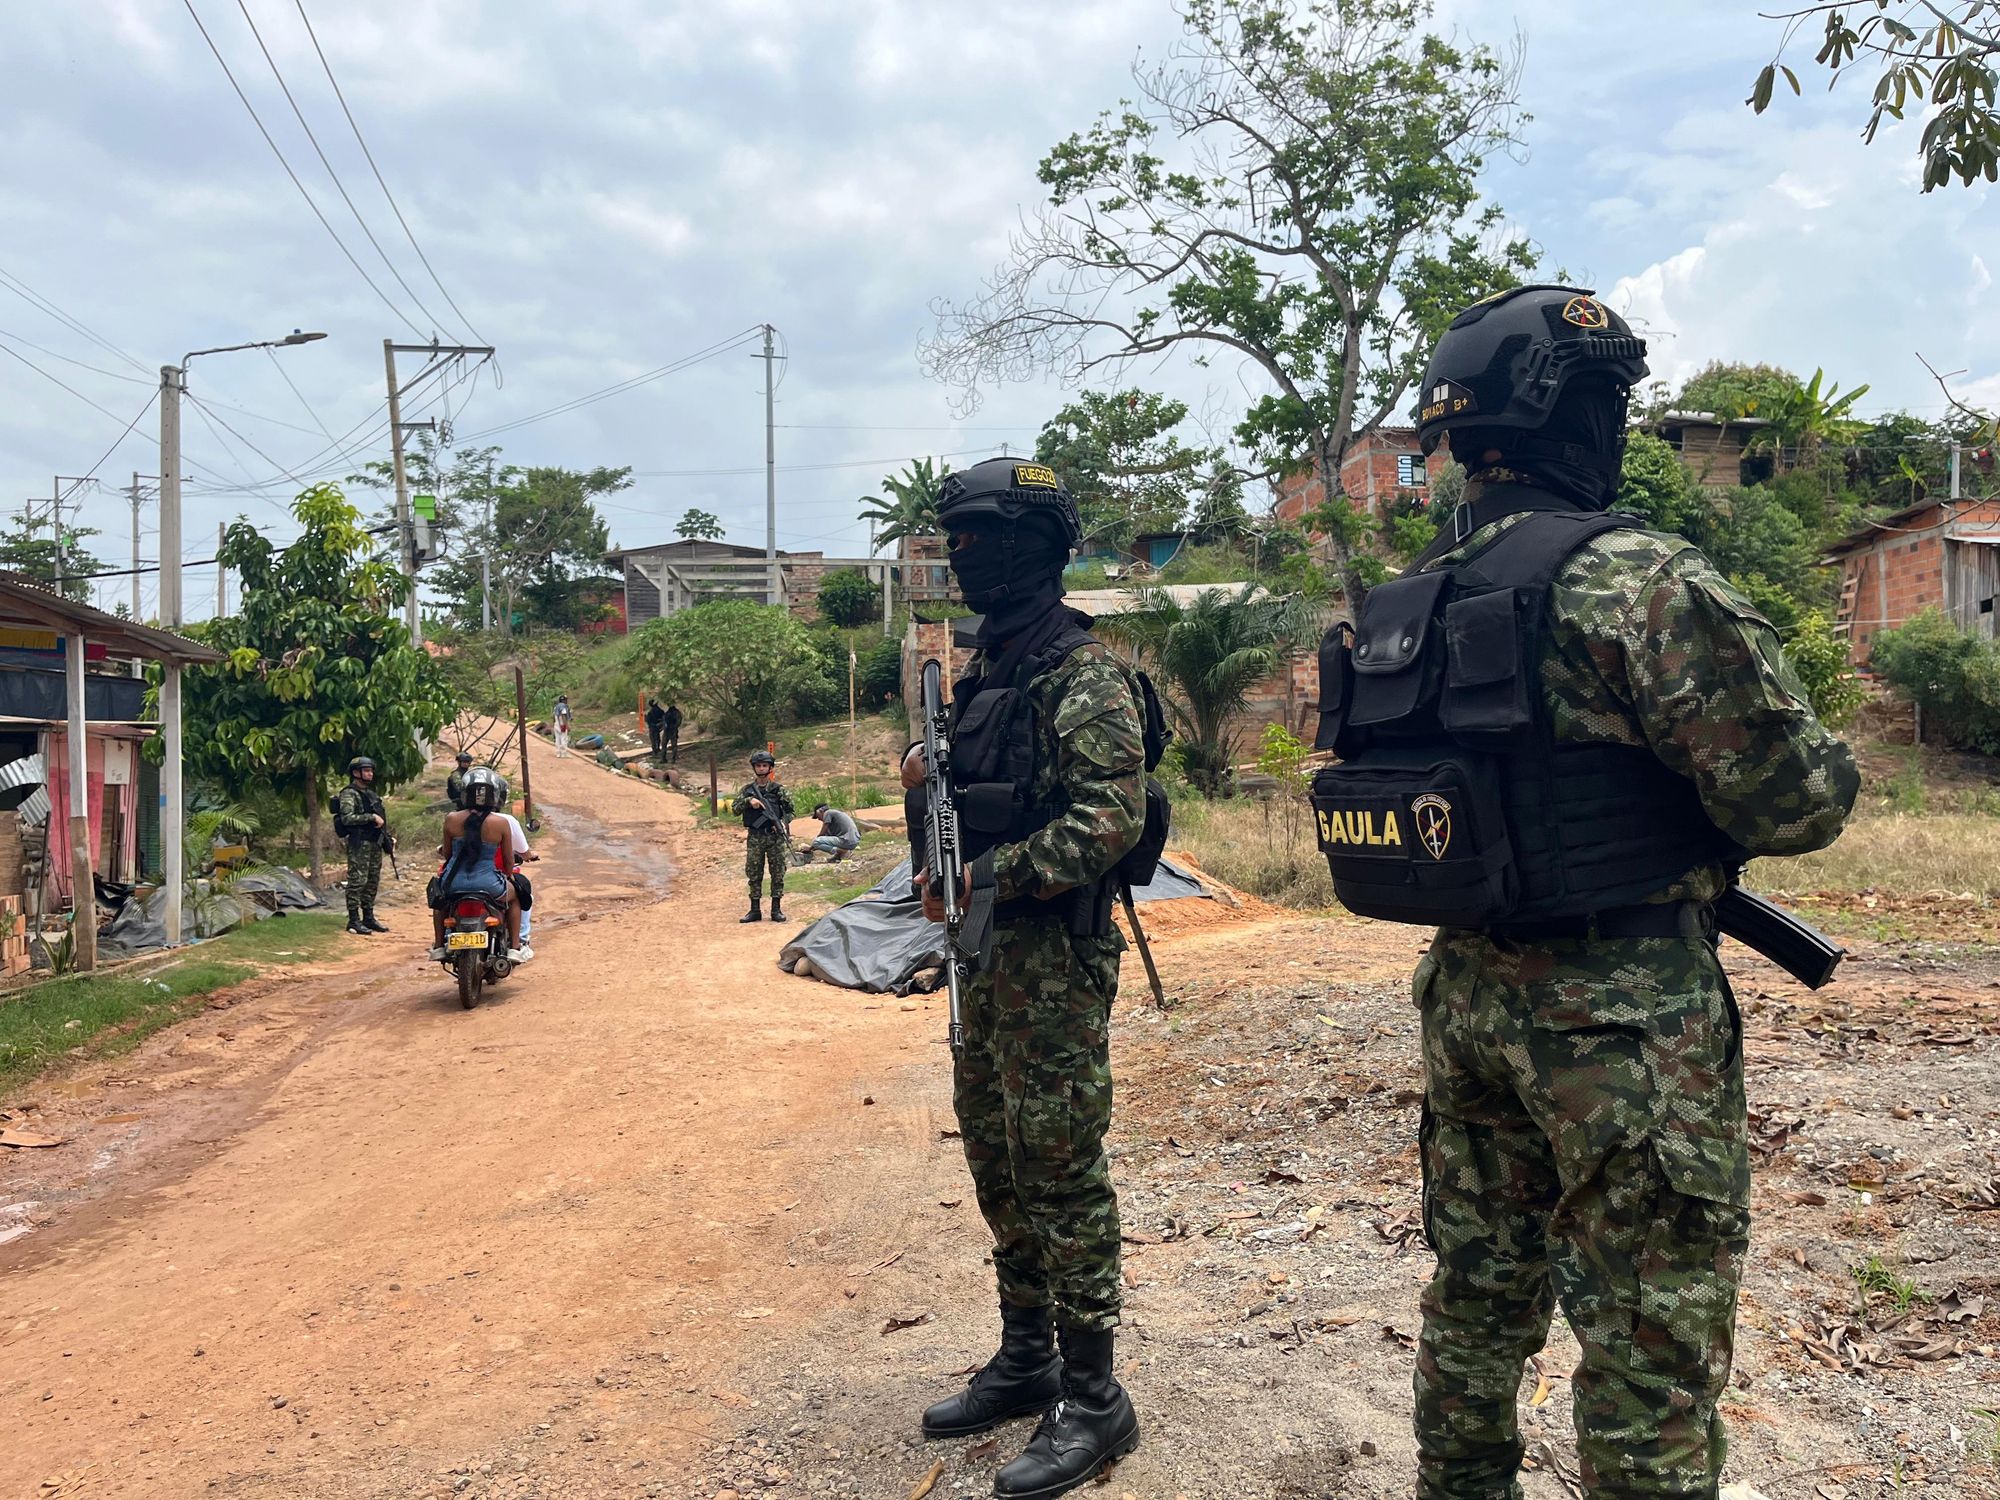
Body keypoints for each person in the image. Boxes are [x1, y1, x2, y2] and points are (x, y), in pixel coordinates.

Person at [1318, 285, 1859, 1498]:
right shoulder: (1638, 577)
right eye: (1610, 401)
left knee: (1475, 1294)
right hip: (1621, 1017)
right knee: (1647, 1336)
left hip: (1464, 998)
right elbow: (1797, 803)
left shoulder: (1409, 595)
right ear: (1572, 413)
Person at [901, 457, 1146, 1497]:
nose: (958, 556)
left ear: (1025, 544)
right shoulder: (986, 668)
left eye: (971, 538)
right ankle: (1026, 1355)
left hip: (1051, 956)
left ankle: (1094, 1395)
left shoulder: (1079, 670)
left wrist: (992, 876)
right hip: (987, 954)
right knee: (997, 1159)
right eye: (950, 538)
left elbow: (1111, 817)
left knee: (1059, 1169)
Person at [427, 767, 530, 962]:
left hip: (453, 884)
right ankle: (515, 947)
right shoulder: (500, 823)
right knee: (516, 897)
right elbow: (509, 861)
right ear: (495, 795)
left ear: (465, 793)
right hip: (489, 885)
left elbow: (447, 855)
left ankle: (439, 946)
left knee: (440, 901)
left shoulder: (451, 819)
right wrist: (508, 875)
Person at [333, 755, 392, 937]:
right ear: (356, 773)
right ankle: (353, 919)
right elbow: (347, 818)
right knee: (357, 881)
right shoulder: (349, 794)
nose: (370, 773)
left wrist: (387, 837)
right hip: (359, 843)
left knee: (372, 881)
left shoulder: (370, 793)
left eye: (371, 770)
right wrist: (371, 817)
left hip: (374, 842)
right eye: (366, 770)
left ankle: (368, 917)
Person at [732, 750, 793, 922]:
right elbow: (735, 809)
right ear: (754, 768)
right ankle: (755, 910)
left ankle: (776, 909)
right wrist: (748, 801)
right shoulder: (747, 790)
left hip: (775, 837)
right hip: (755, 837)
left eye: (764, 765)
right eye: (758, 766)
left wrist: (782, 823)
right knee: (754, 872)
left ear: (770, 767)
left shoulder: (779, 790)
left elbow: (790, 811)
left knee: (778, 872)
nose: (761, 768)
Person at [552, 694, 573, 758]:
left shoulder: (556, 707)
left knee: (557, 739)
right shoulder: (563, 706)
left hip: (556, 723)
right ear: (564, 700)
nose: (567, 701)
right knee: (564, 738)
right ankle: (564, 753)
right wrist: (566, 725)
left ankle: (558, 753)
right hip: (562, 723)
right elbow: (563, 715)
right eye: (566, 700)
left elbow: (553, 716)